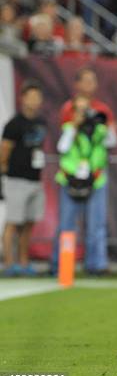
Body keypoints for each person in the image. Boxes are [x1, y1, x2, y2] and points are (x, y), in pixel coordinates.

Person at [50, 95, 116, 276]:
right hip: (70, 180)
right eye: (78, 110)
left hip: (95, 180)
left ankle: (96, 265)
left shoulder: (99, 129)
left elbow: (112, 142)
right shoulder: (68, 128)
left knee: (97, 225)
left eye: (85, 109)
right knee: (66, 225)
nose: (83, 114)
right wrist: (74, 126)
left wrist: (106, 124)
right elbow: (62, 148)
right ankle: (60, 266)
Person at [0, 81, 47, 276]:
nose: (35, 101)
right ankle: (10, 264)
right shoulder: (14, 124)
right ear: (23, 98)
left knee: (28, 223)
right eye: (31, 96)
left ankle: (24, 261)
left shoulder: (40, 123)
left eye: (38, 96)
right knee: (13, 222)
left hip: (35, 179)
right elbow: (4, 153)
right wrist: (3, 177)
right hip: (16, 179)